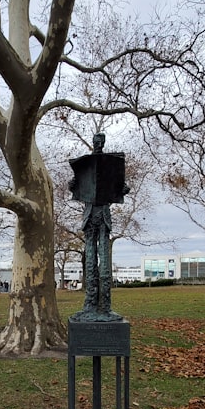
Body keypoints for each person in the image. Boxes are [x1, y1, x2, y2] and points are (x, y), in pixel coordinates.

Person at [69, 133, 127, 322]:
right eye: (96, 142)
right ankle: (89, 306)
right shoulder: (86, 166)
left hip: (103, 216)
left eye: (101, 142)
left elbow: (120, 187)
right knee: (90, 262)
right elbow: (77, 188)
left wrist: (123, 189)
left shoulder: (110, 166)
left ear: (104, 143)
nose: (98, 145)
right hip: (89, 217)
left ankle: (105, 308)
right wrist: (72, 186)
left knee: (104, 266)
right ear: (93, 143)